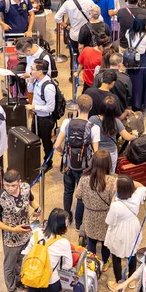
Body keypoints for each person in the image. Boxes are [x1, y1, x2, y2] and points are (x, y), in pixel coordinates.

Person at [0, 169, 41, 292]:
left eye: (13, 185)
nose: (9, 189)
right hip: (10, 239)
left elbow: (31, 200)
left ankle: (19, 281)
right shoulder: (0, 198)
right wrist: (13, 229)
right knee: (9, 266)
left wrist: (37, 208)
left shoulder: (25, 188)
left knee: (22, 260)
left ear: (19, 182)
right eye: (6, 185)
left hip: (26, 234)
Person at [54, 94, 100, 227]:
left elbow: (56, 145)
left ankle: (67, 217)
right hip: (84, 168)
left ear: (77, 107)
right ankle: (79, 223)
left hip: (68, 165)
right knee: (81, 195)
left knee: (68, 191)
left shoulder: (66, 123)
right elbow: (96, 153)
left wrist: (64, 153)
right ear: (91, 108)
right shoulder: (93, 128)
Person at [22, 208, 72, 292]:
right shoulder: (63, 242)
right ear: (63, 225)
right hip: (50, 279)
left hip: (33, 275)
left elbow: (27, 253)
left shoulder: (36, 234)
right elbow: (68, 265)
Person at [75, 149, 116, 269]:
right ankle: (106, 262)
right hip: (106, 217)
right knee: (105, 243)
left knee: (91, 241)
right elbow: (114, 200)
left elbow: (78, 195)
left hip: (89, 215)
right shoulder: (111, 181)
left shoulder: (84, 178)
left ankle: (91, 262)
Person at [105, 175, 146, 290]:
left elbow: (109, 221)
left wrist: (113, 199)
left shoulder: (116, 205)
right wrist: (129, 183)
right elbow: (142, 187)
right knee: (132, 253)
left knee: (116, 257)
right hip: (133, 227)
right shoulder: (136, 196)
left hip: (120, 231)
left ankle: (119, 282)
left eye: (116, 184)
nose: (113, 184)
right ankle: (132, 281)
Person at [55, 0, 96, 74]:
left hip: (74, 34)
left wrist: (65, 25)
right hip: (87, 34)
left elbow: (57, 17)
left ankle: (73, 75)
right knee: (88, 55)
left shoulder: (68, 3)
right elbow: (98, 16)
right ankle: (87, 74)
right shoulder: (90, 3)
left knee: (74, 55)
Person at [89, 95, 137, 170]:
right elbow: (127, 137)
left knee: (97, 171)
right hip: (111, 153)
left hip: (97, 152)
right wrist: (135, 135)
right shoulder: (116, 122)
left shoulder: (93, 119)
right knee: (111, 173)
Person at [26, 59, 56, 170]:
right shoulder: (37, 80)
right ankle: (34, 162)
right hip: (36, 116)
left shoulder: (48, 87)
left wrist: (34, 107)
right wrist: (31, 79)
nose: (30, 71)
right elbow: (30, 89)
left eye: (33, 69)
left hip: (45, 119)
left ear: (40, 71)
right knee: (34, 140)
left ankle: (48, 163)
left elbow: (50, 108)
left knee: (46, 143)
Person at [125, 15, 146, 111]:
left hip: (131, 63)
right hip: (143, 63)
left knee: (133, 84)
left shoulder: (128, 33)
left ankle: (131, 104)